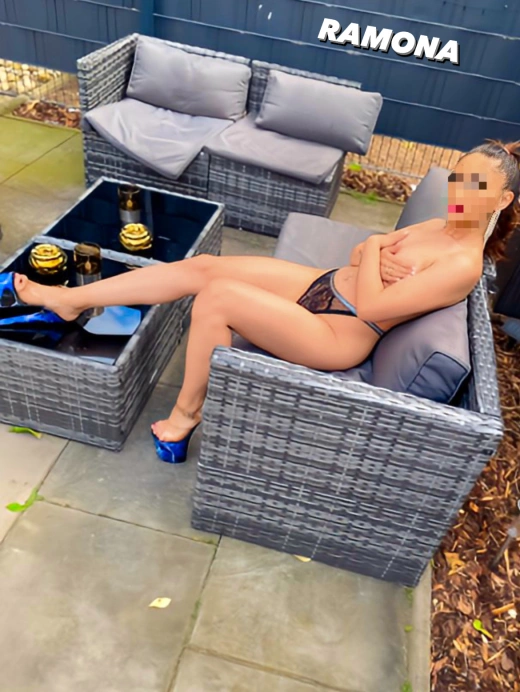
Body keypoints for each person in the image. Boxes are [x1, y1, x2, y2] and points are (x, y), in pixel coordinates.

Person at [2, 139, 520, 457]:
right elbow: (361, 254)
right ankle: (74, 299)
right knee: (203, 268)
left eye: (477, 185)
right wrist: (373, 253)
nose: (460, 190)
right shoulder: (437, 226)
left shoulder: (463, 265)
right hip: (324, 284)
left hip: (338, 333)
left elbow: (375, 307)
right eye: (458, 176)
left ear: (502, 199)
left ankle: (184, 418)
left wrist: (378, 248)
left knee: (218, 298)